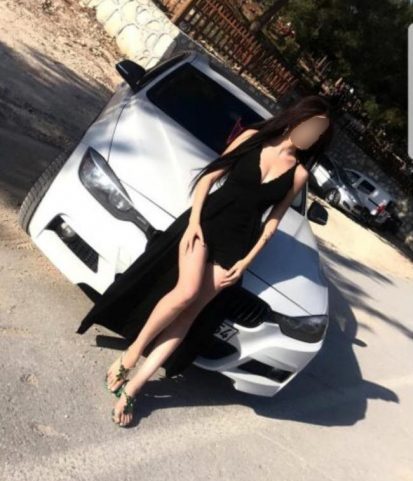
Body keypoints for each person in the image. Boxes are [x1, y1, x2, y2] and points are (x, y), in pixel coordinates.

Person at [76, 94, 334, 427]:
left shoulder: (298, 174)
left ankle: (135, 387)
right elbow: (209, 178)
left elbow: (272, 222)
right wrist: (194, 221)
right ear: (297, 119)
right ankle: (131, 355)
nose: (312, 135)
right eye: (312, 126)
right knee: (185, 294)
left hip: (237, 245)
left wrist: (246, 261)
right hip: (207, 222)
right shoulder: (252, 137)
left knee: (190, 314)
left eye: (319, 134)